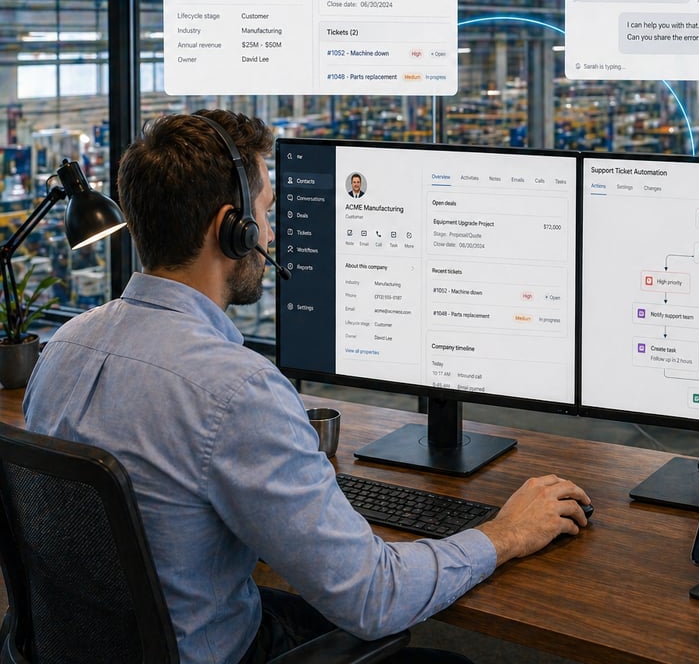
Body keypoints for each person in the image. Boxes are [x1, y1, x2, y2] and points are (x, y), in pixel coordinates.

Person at [23, 110, 591, 664]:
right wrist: (507, 532)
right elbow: (374, 598)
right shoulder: (235, 391)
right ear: (233, 228)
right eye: (266, 212)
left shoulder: (63, 348)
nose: (270, 231)